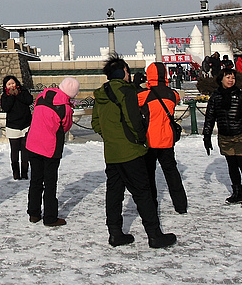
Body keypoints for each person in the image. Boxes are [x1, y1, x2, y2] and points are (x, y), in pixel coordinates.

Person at [91, 55, 176, 249]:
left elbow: (96, 123)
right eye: (127, 72)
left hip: (112, 153)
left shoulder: (100, 94)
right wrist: (139, 139)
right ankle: (154, 235)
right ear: (122, 73)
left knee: (114, 192)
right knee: (142, 192)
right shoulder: (126, 91)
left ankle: (115, 233)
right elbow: (133, 120)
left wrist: (111, 136)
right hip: (130, 150)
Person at [203, 67, 242, 208]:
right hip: (225, 137)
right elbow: (210, 118)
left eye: (233, 78)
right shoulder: (215, 97)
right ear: (221, 79)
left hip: (241, 135)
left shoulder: (241, 95)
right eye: (228, 77)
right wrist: (207, 136)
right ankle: (237, 193)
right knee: (232, 166)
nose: (231, 80)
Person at [25, 78, 78, 226]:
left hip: (33, 144)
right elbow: (66, 126)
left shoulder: (42, 96)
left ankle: (34, 213)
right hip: (50, 148)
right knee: (49, 183)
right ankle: (50, 217)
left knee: (35, 180)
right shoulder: (65, 107)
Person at [139, 62, 188, 215]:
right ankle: (180, 205)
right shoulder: (172, 94)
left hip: (150, 140)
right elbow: (177, 100)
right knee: (172, 172)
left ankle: (152, 204)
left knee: (149, 175)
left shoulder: (144, 96)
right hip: (167, 140)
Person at [0, 75, 33, 180]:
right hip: (13, 126)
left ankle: (24, 172)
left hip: (25, 125)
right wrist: (10, 96)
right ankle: (15, 173)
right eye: (9, 84)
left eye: (13, 83)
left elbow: (29, 101)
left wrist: (18, 94)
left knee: (25, 150)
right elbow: (6, 107)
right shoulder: (5, 96)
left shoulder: (23, 91)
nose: (11, 86)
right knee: (14, 151)